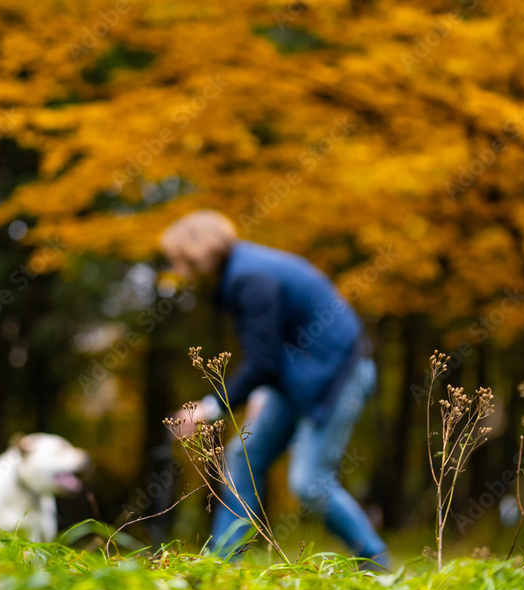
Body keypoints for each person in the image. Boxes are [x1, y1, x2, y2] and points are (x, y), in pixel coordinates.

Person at [162, 210, 390, 569]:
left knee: (309, 482)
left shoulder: (250, 278)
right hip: (301, 377)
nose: (178, 268)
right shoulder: (243, 271)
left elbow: (264, 361)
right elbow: (273, 347)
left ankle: (378, 566)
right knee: (243, 458)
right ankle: (222, 566)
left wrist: (208, 407)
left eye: (179, 258)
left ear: (197, 251)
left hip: (338, 375)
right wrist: (260, 393)